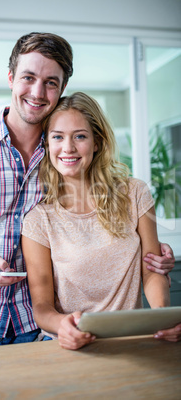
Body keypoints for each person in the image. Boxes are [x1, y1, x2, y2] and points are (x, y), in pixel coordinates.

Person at [0, 33, 175, 352]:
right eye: (28, 77)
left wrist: (148, 246)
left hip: (32, 323)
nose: (38, 92)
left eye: (51, 82)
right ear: (11, 78)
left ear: (61, 88)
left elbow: (102, 212)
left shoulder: (59, 150)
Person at [21, 92, 181, 350]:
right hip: (73, 346)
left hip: (134, 340)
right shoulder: (39, 219)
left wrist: (163, 316)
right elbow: (41, 306)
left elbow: (152, 269)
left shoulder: (134, 193)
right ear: (48, 144)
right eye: (58, 137)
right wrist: (64, 325)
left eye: (80, 136)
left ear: (97, 142)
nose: (68, 148)